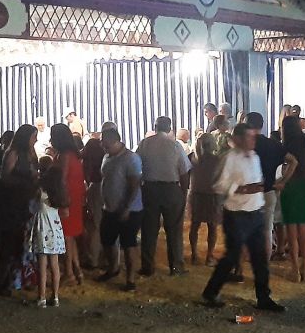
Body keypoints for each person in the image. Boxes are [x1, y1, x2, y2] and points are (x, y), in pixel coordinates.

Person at [201, 123, 285, 312]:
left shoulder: (255, 157)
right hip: (236, 215)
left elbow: (258, 182)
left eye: (254, 136)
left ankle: (263, 298)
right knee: (232, 256)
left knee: (259, 259)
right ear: (238, 139)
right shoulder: (229, 158)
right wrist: (242, 189)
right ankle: (210, 292)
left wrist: (259, 190)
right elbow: (218, 185)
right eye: (249, 136)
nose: (253, 140)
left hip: (255, 212)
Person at [137, 116, 192, 276]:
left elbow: (136, 166)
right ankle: (176, 267)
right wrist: (183, 193)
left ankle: (148, 267)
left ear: (155, 127)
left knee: (148, 230)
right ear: (169, 128)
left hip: (149, 189)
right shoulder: (175, 145)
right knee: (174, 230)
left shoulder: (144, 144)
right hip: (171, 189)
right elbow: (184, 172)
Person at [0, 124, 40, 295]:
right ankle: (1, 282)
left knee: (20, 244)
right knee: (8, 244)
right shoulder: (13, 153)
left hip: (25, 203)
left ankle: (15, 280)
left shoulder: (30, 153)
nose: (36, 140)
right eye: (33, 137)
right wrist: (25, 182)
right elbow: (5, 177)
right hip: (12, 204)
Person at [96, 127, 144, 291]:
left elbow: (134, 185)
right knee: (107, 240)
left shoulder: (131, 158)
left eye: (106, 144)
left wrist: (127, 207)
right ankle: (113, 268)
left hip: (129, 210)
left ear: (116, 141)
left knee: (129, 243)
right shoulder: (107, 157)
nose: (103, 146)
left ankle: (130, 279)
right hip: (109, 208)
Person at [275, 116, 305, 282]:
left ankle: (295, 270)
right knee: (303, 232)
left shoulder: (286, 147)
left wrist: (283, 181)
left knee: (291, 233)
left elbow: (291, 164)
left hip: (291, 188)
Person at [246, 113, 285, 261]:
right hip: (269, 189)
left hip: (250, 191)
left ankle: (251, 258)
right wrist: (282, 181)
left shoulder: (246, 145)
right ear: (262, 125)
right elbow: (293, 161)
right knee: (267, 230)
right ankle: (265, 263)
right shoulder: (273, 144)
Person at [51, 123, 85, 285]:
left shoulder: (64, 155)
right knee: (70, 236)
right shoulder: (74, 154)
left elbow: (62, 180)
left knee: (65, 236)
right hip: (75, 197)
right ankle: (77, 271)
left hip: (66, 198)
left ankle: (69, 273)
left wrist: (63, 202)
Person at [32, 151, 67, 307]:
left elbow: (32, 206)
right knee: (55, 265)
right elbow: (65, 212)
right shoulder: (59, 193)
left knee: (42, 266)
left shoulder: (40, 191)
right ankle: (56, 296)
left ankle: (42, 297)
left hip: (42, 229)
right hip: (56, 229)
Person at [81, 123, 117, 271]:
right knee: (110, 225)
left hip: (95, 186)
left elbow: (84, 166)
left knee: (95, 226)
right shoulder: (114, 151)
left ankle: (94, 259)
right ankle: (110, 260)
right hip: (110, 187)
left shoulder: (91, 147)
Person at [189, 134, 223, 267]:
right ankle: (209, 256)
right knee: (212, 227)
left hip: (196, 195)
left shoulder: (192, 158)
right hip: (212, 196)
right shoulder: (217, 160)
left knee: (194, 225)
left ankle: (194, 254)